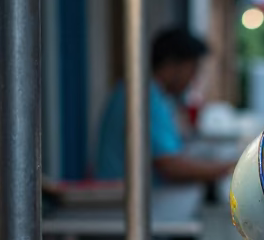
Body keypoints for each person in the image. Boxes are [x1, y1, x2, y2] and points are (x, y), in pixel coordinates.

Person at [96, 27, 235, 185]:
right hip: (126, 196)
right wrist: (232, 168)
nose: (193, 78)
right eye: (192, 69)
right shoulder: (145, 96)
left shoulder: (143, 90)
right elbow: (171, 166)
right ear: (171, 64)